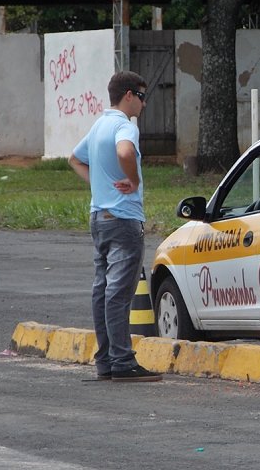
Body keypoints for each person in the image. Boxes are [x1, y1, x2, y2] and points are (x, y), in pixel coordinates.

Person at [68, 71, 161, 382]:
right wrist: (132, 181)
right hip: (123, 218)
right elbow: (123, 152)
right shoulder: (124, 126)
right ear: (129, 95)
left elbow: (74, 159)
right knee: (120, 292)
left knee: (103, 290)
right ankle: (122, 361)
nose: (145, 104)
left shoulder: (98, 126)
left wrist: (100, 185)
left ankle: (106, 360)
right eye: (142, 96)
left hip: (99, 218)